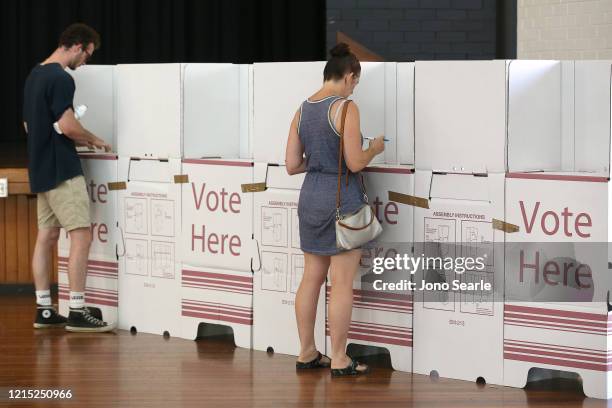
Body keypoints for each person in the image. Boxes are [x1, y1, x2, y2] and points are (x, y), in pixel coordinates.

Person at [285, 43, 385, 376]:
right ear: (348, 76)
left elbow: (290, 164)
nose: (354, 88)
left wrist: (317, 163)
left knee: (311, 278)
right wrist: (374, 149)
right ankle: (340, 358)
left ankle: (306, 352)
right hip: (341, 200)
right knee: (341, 283)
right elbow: (355, 162)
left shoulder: (302, 109)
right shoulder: (346, 108)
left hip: (310, 196)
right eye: (355, 82)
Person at [22, 23, 114, 332]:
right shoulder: (61, 78)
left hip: (40, 168)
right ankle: (76, 309)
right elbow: (69, 125)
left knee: (45, 237)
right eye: (87, 54)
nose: (85, 62)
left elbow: (28, 126)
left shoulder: (34, 75)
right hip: (62, 169)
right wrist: (94, 139)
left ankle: (44, 309)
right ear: (78, 46)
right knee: (81, 235)